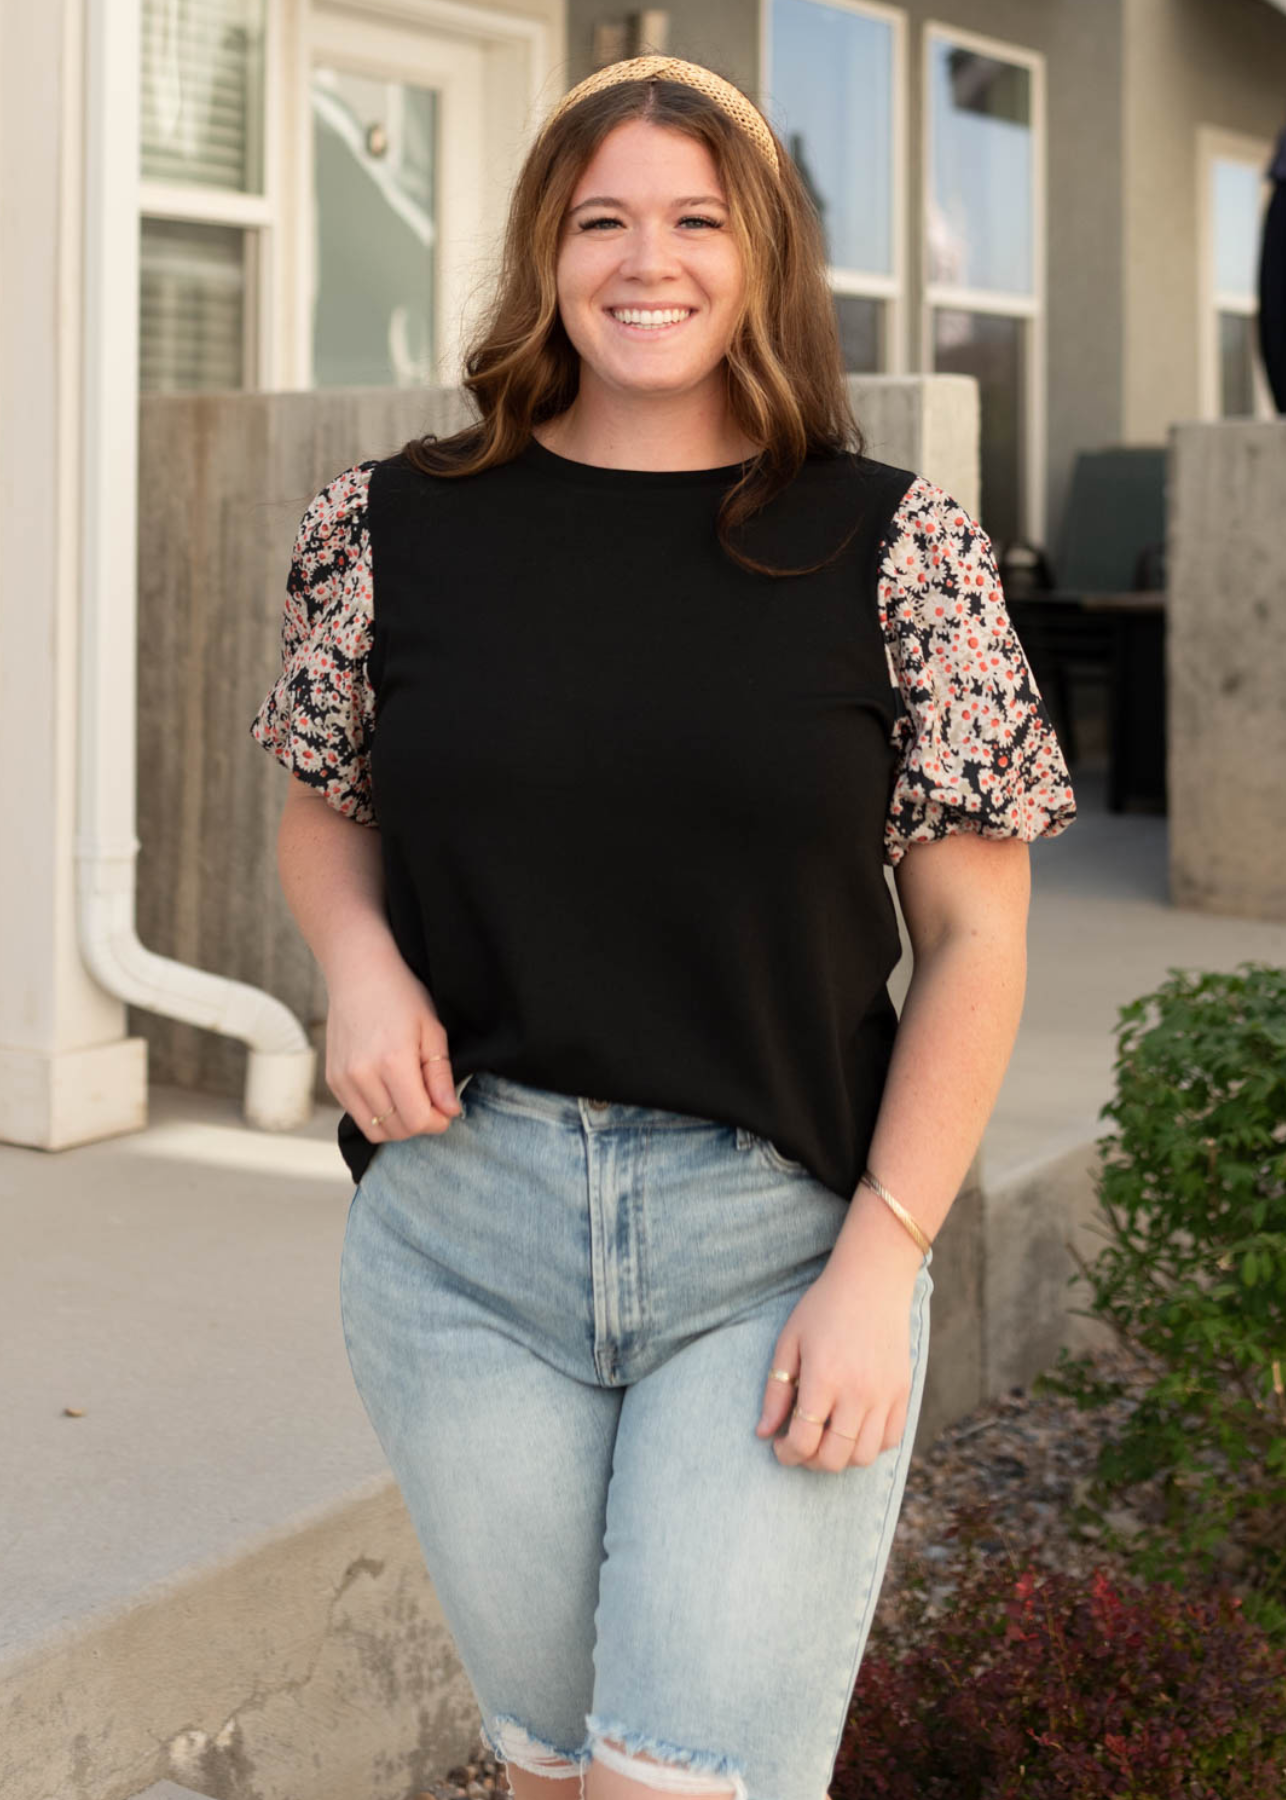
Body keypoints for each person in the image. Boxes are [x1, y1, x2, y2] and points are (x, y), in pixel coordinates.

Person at [250, 52, 1076, 1800]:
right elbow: (324, 798)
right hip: (461, 1246)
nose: (649, 259)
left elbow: (979, 942)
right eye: (600, 218)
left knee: (674, 1783)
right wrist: (360, 964)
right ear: (545, 253)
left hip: (772, 1253)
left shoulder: (895, 547)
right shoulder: (389, 523)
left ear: (760, 253)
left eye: (696, 219)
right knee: (553, 1771)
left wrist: (884, 1260)